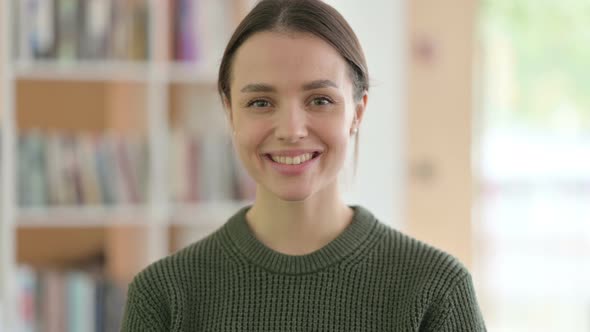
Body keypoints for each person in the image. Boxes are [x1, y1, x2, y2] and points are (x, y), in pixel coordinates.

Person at [121, 0, 487, 330]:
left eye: (320, 100)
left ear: (357, 112)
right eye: (261, 102)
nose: (292, 130)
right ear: (229, 110)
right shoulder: (163, 295)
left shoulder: (436, 288)